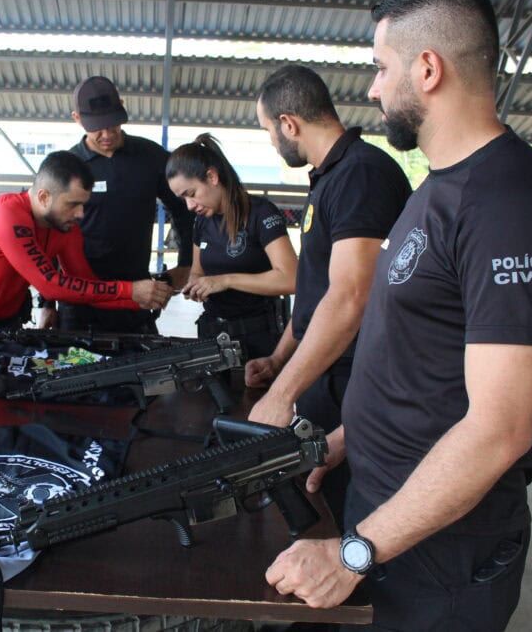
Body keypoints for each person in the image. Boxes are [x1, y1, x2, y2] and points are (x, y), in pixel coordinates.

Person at [264, 0, 532, 632]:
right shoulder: (437, 189)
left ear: (428, 69)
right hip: (390, 514)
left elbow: (499, 428)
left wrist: (355, 551)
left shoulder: (510, 201)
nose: (374, 88)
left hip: (440, 547)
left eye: (382, 68)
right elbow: (422, 364)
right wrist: (344, 441)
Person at [245, 64, 411, 526]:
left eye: (267, 131)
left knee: (357, 516)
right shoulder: (331, 177)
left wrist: (282, 394)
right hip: (327, 375)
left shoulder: (361, 175)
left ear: (289, 124)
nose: (271, 142)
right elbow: (317, 294)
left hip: (359, 381)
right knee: (328, 505)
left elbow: (350, 296)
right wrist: (279, 360)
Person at [0, 151, 173, 327]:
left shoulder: (65, 227)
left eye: (83, 204)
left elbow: (87, 289)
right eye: (72, 204)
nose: (80, 214)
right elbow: (50, 285)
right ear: (44, 197)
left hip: (5, 324)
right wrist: (130, 290)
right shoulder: (7, 214)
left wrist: (141, 299)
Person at [52, 76, 195, 333]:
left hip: (138, 291)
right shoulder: (67, 166)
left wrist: (186, 264)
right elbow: (48, 232)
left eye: (112, 124)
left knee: (139, 368)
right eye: (97, 127)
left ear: (122, 106)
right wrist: (47, 304)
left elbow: (184, 209)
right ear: (77, 118)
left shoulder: (151, 156)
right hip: (80, 296)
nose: (107, 134)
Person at [166, 133, 297, 358]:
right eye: (183, 199)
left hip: (259, 337)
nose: (189, 205)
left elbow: (291, 278)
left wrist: (225, 281)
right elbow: (197, 271)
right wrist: (196, 286)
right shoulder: (202, 222)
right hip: (212, 336)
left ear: (212, 177)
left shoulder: (260, 213)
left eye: (191, 194)